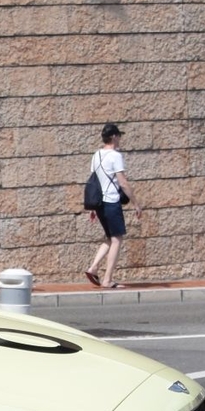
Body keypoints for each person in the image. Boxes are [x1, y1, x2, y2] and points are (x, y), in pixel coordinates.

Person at [85, 123, 131, 290]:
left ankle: (93, 268)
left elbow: (94, 181)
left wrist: (92, 208)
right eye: (119, 136)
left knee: (109, 237)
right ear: (113, 137)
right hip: (111, 201)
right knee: (117, 238)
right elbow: (123, 182)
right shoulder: (115, 156)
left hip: (99, 203)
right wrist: (136, 203)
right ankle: (107, 279)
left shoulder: (96, 155)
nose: (120, 139)